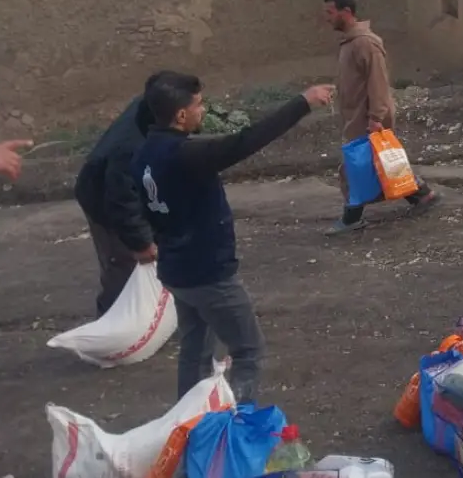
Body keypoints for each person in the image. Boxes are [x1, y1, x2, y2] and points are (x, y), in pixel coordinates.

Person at [132, 71, 335, 402]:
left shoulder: (144, 155)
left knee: (195, 351)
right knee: (248, 350)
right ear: (180, 115)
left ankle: (192, 421)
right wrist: (303, 102)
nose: (203, 110)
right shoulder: (185, 156)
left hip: (176, 270)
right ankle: (240, 422)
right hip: (208, 274)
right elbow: (245, 142)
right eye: (198, 105)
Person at [321, 0, 438, 235]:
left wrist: (376, 117)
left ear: (346, 12)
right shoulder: (351, 43)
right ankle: (421, 194)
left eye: (330, 12)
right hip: (356, 115)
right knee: (381, 163)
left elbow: (378, 83)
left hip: (366, 117)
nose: (327, 18)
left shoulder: (365, 43)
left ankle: (351, 218)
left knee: (356, 167)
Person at [74, 73, 166, 315]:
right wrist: (141, 241)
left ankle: (150, 319)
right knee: (125, 265)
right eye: (195, 104)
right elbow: (122, 199)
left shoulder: (152, 112)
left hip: (120, 191)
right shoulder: (131, 147)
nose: (201, 110)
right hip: (102, 198)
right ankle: (110, 323)